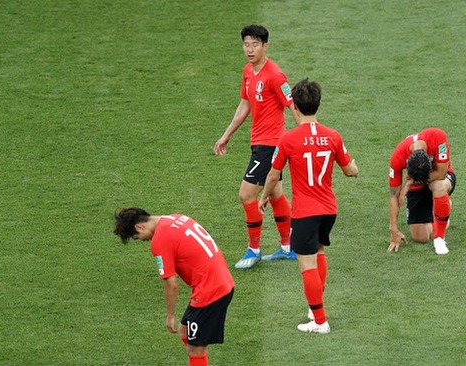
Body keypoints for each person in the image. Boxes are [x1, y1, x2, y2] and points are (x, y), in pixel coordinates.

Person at [259, 78, 358, 333]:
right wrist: (355, 166)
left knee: (307, 264)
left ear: (295, 105)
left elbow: (273, 174)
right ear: (318, 104)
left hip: (305, 211)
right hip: (329, 209)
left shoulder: (288, 139)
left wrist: (264, 197)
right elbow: (350, 170)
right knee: (319, 252)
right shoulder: (333, 136)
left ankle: (320, 321)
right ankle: (315, 310)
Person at [214, 24, 297, 269]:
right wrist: (226, 135)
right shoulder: (248, 72)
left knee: (246, 194)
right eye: (246, 44)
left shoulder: (275, 75)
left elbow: (292, 106)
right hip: (259, 143)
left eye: (255, 44)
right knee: (275, 193)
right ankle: (288, 247)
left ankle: (254, 249)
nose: (250, 49)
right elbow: (244, 106)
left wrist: (307, 134)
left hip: (270, 145)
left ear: (265, 46)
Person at [113, 208, 235, 366]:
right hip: (223, 281)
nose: (143, 240)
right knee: (184, 331)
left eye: (137, 237)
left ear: (139, 227)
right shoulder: (177, 218)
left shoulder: (160, 240)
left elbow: (171, 283)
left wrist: (170, 315)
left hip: (210, 291)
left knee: (195, 349)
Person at [387, 127, 456, 255]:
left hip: (441, 177)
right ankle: (440, 212)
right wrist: (394, 229)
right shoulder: (397, 157)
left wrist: (410, 182)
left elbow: (441, 173)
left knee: (438, 186)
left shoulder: (438, 136)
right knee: (421, 238)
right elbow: (393, 196)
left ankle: (439, 238)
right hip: (417, 186)